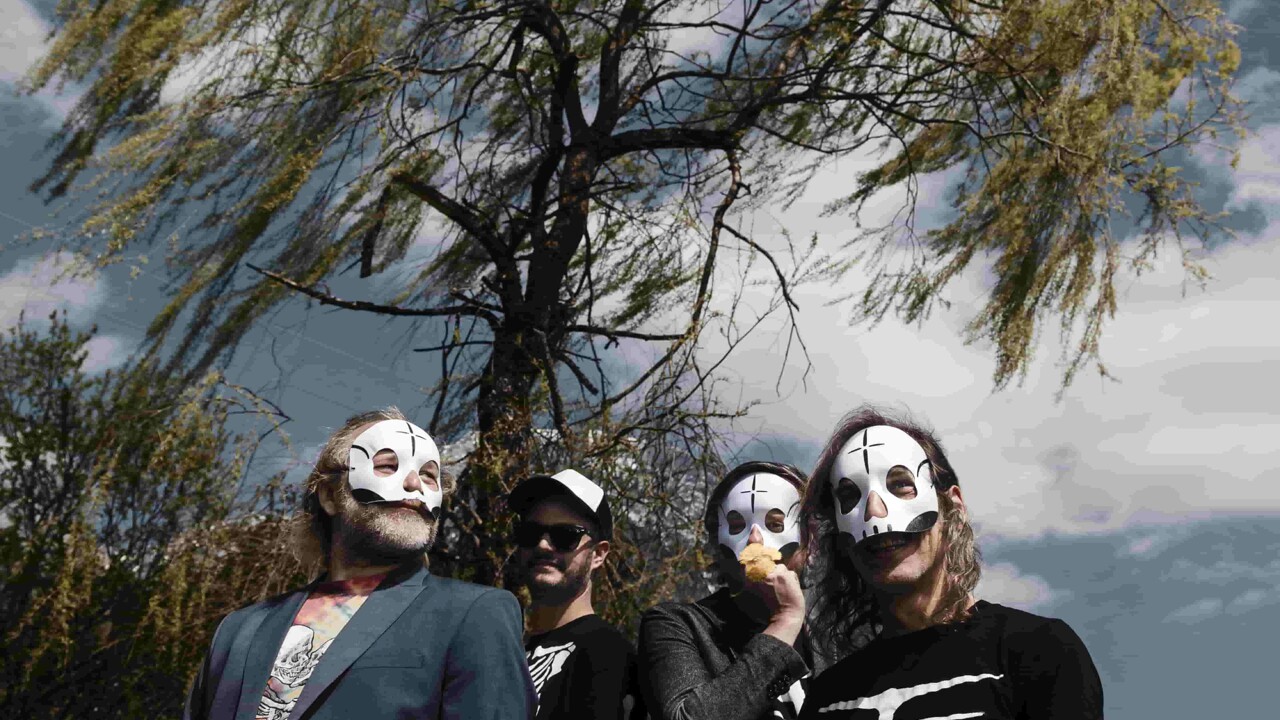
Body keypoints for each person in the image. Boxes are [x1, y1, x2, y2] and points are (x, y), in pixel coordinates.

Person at [183, 408, 536, 720]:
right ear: (329, 496)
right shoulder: (240, 629)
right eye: (387, 465)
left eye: (430, 475)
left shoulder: (474, 614)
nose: (414, 483)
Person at [797, 406, 1103, 720]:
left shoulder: (1037, 650)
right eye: (850, 496)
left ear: (953, 506)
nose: (874, 511)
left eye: (900, 484)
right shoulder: (828, 697)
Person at [639, 461, 817, 720]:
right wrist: (785, 621)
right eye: (736, 526)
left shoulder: (836, 635)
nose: (755, 540)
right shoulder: (678, 626)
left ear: (809, 542)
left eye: (775, 524)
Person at [507, 468, 644, 720]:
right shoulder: (506, 650)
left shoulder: (606, 655)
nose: (543, 545)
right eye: (530, 532)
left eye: (565, 536)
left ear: (598, 554)